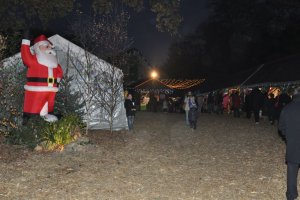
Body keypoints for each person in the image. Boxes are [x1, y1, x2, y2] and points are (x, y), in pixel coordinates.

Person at [21, 34, 63, 123]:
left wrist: (57, 81)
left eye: (49, 47)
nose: (49, 49)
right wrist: (25, 41)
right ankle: (31, 118)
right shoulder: (34, 60)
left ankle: (49, 114)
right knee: (35, 103)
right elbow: (25, 55)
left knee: (49, 103)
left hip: (52, 89)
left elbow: (60, 72)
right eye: (46, 46)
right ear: (38, 48)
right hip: (37, 88)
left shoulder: (54, 62)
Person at [279, 87, 300, 200]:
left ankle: (292, 195)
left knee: (292, 170)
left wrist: (288, 136)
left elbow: (281, 127)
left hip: (293, 144)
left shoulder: (287, 108)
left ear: (293, 95)